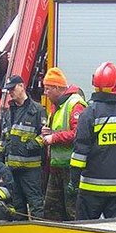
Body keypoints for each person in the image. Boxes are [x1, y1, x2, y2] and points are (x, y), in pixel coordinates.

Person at [70, 62, 116, 220]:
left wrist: (73, 181)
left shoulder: (89, 113)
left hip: (90, 190)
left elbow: (80, 153)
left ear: (95, 85)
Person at [41, 67, 86, 221]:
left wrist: (53, 138)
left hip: (70, 168)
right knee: (51, 210)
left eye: (48, 89)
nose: (45, 93)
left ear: (58, 88)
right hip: (56, 166)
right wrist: (47, 134)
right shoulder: (56, 106)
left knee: (72, 210)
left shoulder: (75, 105)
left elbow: (77, 134)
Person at [0, 74, 46, 219]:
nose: (11, 93)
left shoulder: (37, 110)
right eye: (9, 90)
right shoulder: (8, 112)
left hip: (30, 169)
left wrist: (29, 146)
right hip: (12, 170)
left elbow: (44, 136)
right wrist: (0, 163)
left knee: (36, 203)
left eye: (12, 89)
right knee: (17, 206)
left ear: (21, 86)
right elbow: (3, 139)